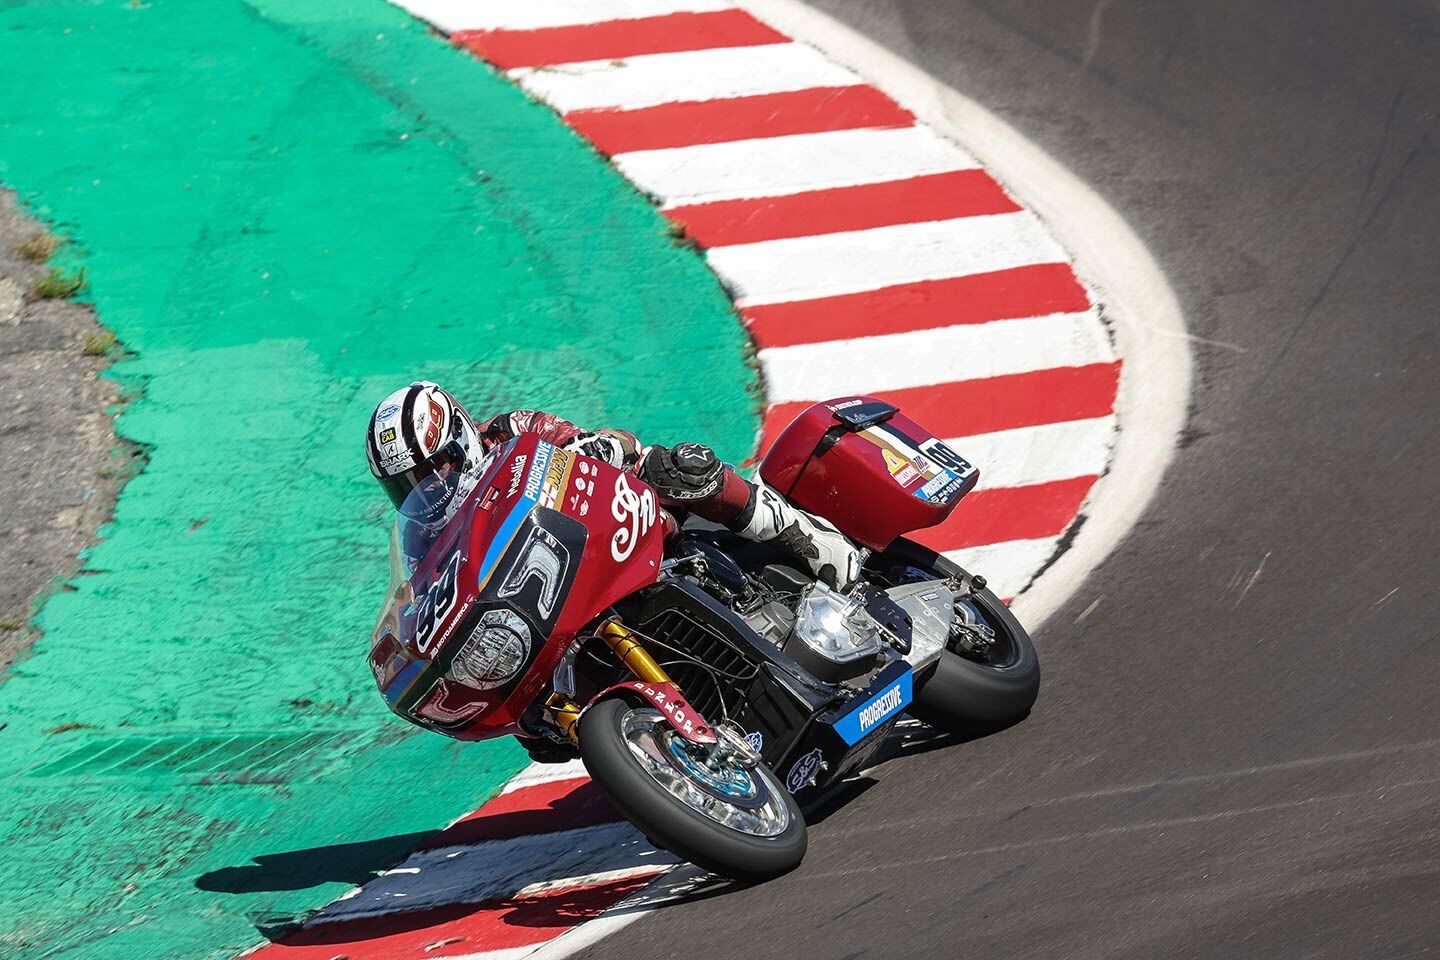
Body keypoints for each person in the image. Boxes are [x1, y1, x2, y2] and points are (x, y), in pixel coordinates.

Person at [365, 380, 861, 589]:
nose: (427, 486)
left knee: (677, 470)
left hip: (611, 525)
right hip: (547, 593)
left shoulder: (510, 430)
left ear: (459, 439)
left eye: (433, 468)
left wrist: (597, 447)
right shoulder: (419, 539)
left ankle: (807, 539)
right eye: (406, 484)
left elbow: (607, 442)